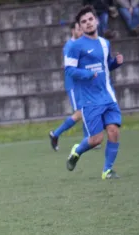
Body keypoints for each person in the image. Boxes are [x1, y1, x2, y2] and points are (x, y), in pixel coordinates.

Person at [65, 6, 124, 179]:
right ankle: (77, 150)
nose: (88, 23)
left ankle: (107, 170)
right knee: (96, 139)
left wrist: (116, 63)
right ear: (80, 27)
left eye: (90, 19)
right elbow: (69, 70)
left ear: (96, 21)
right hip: (90, 100)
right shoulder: (75, 47)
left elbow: (105, 67)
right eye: (84, 22)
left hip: (108, 96)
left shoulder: (105, 43)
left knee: (113, 130)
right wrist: (87, 74)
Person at [49, 21, 84, 151]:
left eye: (82, 29)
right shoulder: (69, 46)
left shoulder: (81, 44)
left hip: (81, 84)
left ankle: (90, 139)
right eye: (78, 29)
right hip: (73, 85)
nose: (81, 31)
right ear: (73, 31)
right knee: (80, 113)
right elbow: (70, 68)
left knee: (86, 110)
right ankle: (55, 134)